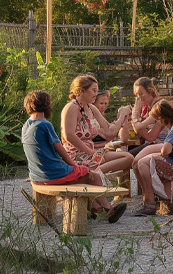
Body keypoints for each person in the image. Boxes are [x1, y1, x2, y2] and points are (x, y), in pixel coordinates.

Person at [22, 90, 125, 222]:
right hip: (54, 174)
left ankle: (95, 208)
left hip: (36, 175)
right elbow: (60, 149)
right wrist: (75, 166)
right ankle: (108, 209)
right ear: (47, 105)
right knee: (92, 175)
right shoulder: (45, 125)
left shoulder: (27, 125)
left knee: (82, 177)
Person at [61, 75, 134, 179]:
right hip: (76, 155)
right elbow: (69, 136)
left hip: (92, 153)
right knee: (120, 158)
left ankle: (94, 174)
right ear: (81, 91)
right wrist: (91, 152)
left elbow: (110, 131)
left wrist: (122, 116)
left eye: (96, 91)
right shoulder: (71, 107)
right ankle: (91, 174)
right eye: (93, 90)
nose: (96, 94)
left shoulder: (91, 107)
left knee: (128, 157)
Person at [127, 77, 170, 161]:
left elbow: (150, 136)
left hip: (162, 145)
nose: (139, 98)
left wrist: (135, 113)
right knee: (124, 153)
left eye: (141, 94)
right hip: (151, 143)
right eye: (137, 96)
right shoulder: (147, 108)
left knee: (127, 158)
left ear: (150, 91)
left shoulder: (160, 106)